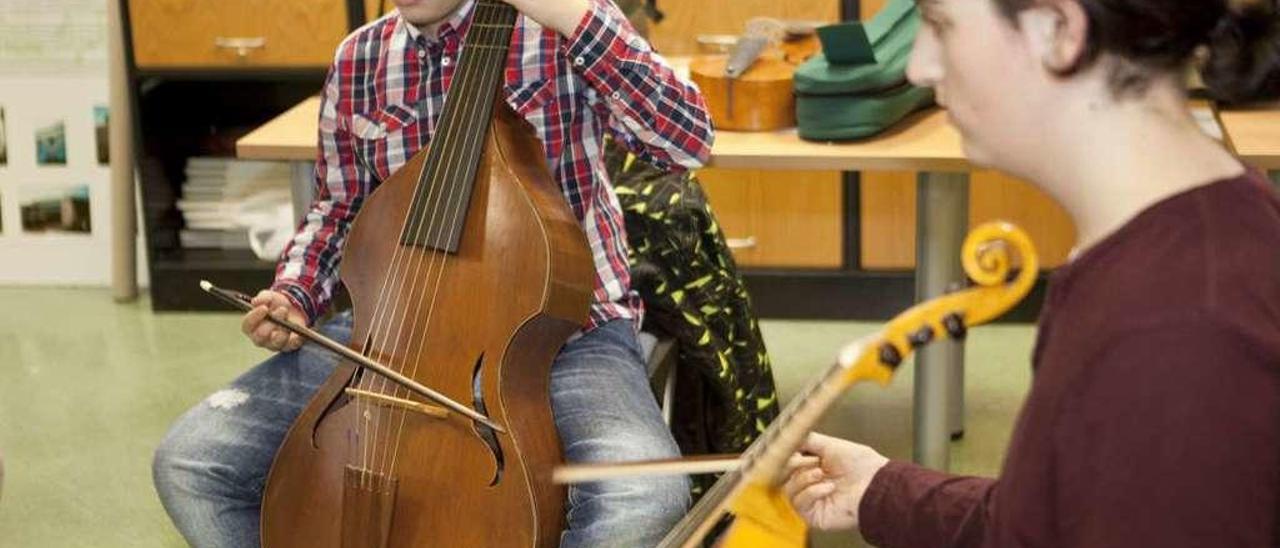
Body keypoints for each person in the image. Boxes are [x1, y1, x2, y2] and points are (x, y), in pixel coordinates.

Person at [151, 1, 714, 546]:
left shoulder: (559, 30)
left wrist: (570, 13)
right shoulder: (360, 59)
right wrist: (295, 292)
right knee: (193, 463)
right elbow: (338, 207)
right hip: (387, 326)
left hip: (567, 331)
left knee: (645, 496)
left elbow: (688, 141)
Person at [785, 0, 1280, 546]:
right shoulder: (1167, 241)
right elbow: (1062, 513)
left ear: (1057, 29)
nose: (917, 67)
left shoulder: (1183, 331)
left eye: (940, 24)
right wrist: (882, 489)